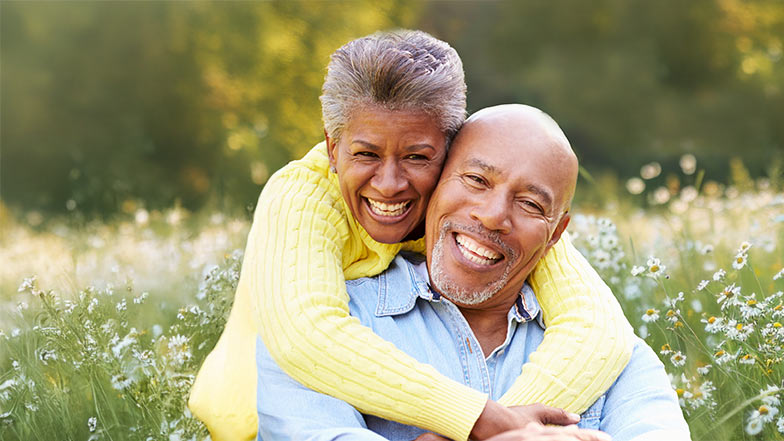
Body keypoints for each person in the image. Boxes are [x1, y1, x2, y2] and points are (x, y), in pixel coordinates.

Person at [189, 30, 635, 441]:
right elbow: (307, 336)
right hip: (257, 417)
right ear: (331, 148)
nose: (388, 184)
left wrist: (504, 426)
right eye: (365, 153)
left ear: (451, 150)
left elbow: (596, 328)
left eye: (417, 157)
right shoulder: (301, 196)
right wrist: (483, 421)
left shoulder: (486, 212)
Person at [255, 104, 692, 441]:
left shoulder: (615, 356)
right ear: (436, 179)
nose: (492, 216)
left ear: (556, 232)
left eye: (530, 205)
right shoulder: (319, 331)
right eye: (477, 180)